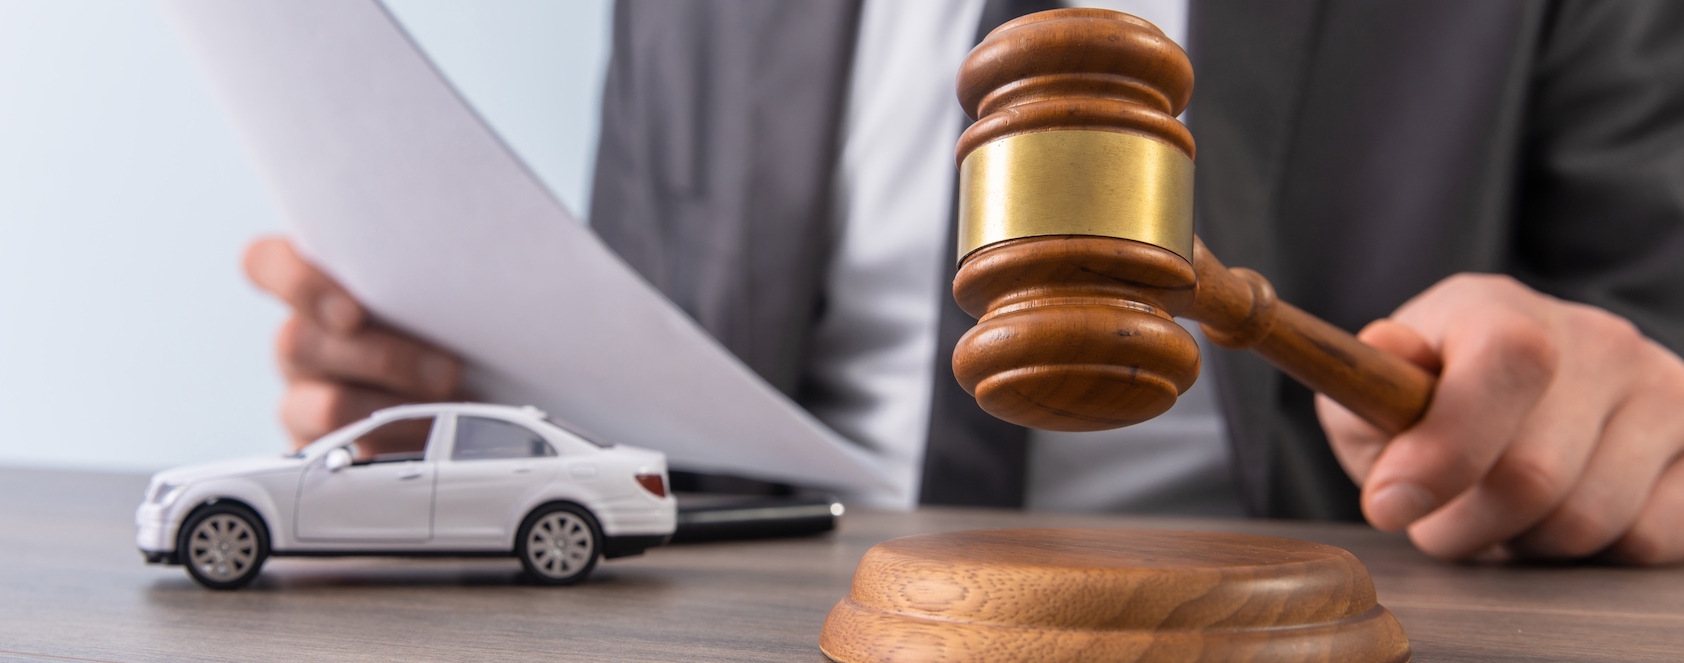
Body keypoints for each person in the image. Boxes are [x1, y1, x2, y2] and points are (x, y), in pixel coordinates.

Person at [242, 0, 1684, 565]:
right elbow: (651, 352)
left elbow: (1658, 349)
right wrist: (464, 390)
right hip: (779, 609)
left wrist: (1609, 404)